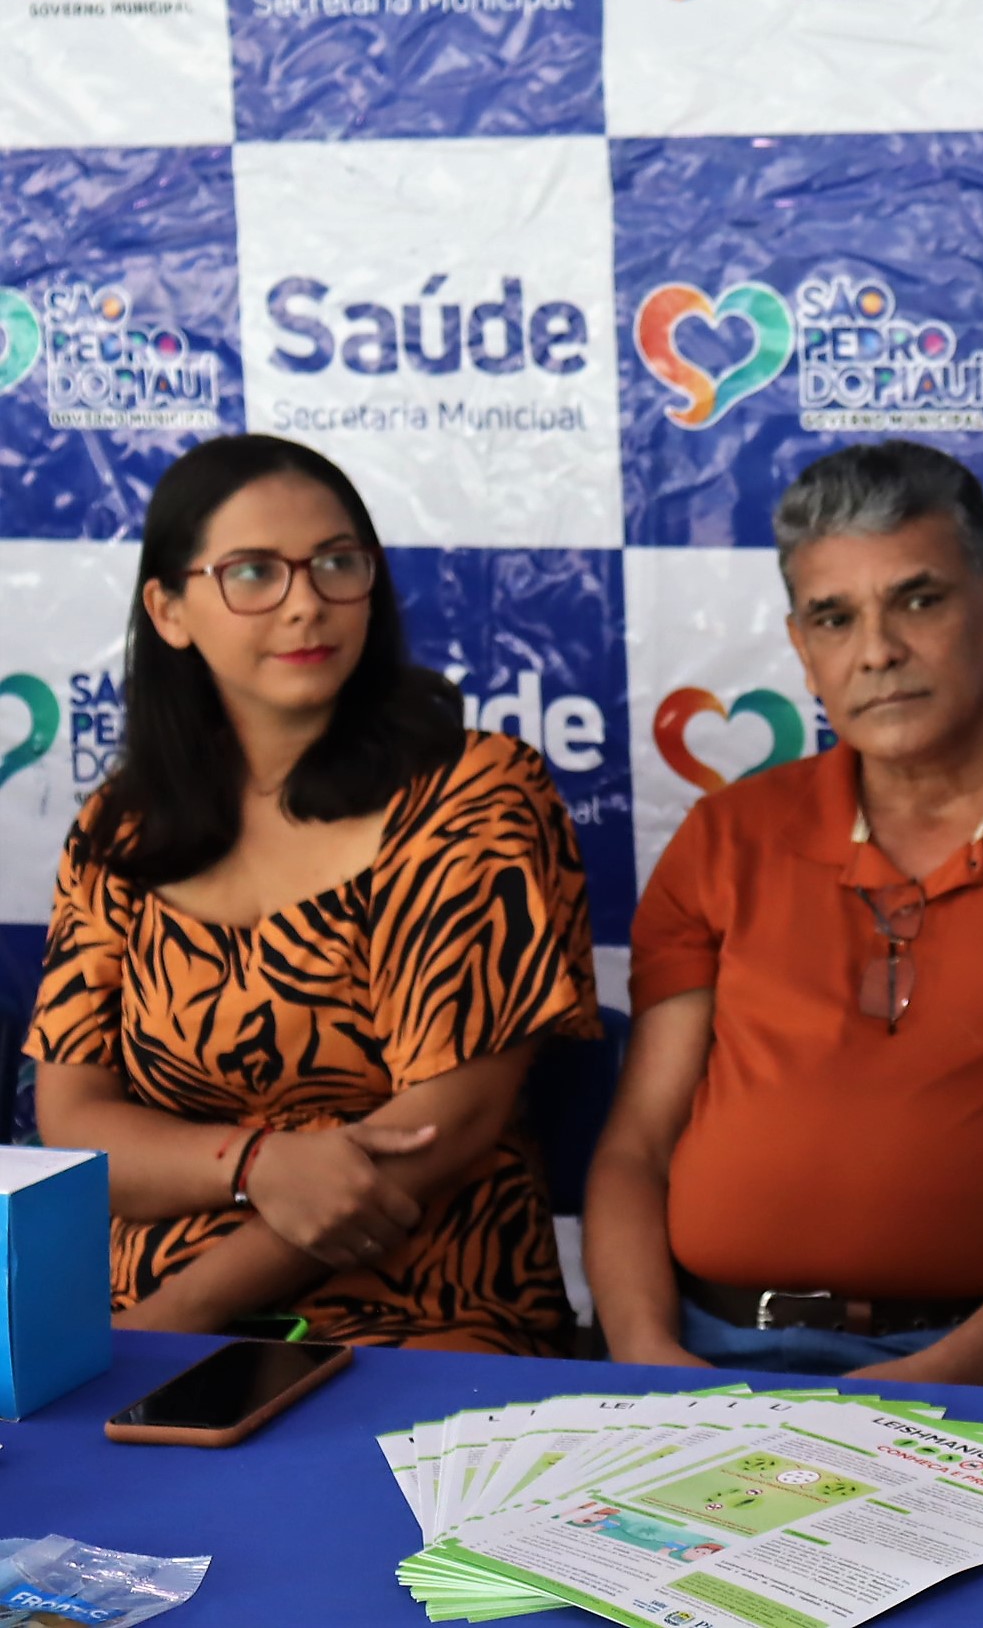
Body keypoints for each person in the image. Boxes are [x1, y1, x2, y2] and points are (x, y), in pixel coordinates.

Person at [584, 441, 983, 1386]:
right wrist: (650, 1363)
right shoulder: (727, 836)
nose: (878, 651)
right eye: (835, 618)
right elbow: (636, 1149)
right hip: (712, 1358)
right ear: (803, 651)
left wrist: (925, 1384)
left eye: (919, 600)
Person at [28, 434, 598, 1352]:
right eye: (254, 573)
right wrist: (255, 1163)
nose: (306, 604)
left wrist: (173, 1321)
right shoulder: (120, 828)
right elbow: (74, 1126)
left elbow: (444, 1128)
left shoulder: (475, 790)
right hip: (145, 1315)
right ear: (169, 610)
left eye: (336, 563)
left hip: (425, 1314)